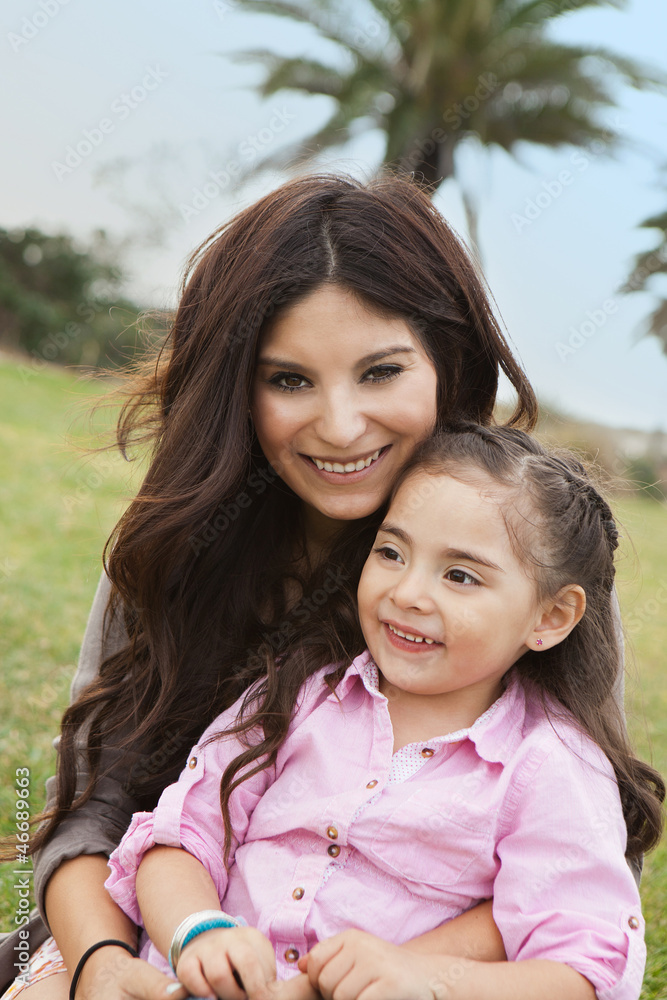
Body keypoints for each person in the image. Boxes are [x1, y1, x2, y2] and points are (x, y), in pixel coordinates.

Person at [0, 173, 538, 1000]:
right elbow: (93, 813)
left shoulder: (529, 566)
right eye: (289, 380)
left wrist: (356, 978)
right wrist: (99, 966)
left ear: (449, 362)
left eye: (380, 372)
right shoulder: (174, 548)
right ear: (236, 387)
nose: (340, 425)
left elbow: (573, 869)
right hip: (147, 941)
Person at [103, 425, 664, 1000]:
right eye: (391, 553)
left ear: (550, 617)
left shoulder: (551, 766)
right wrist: (198, 932)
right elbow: (180, 835)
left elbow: (582, 971)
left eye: (460, 576)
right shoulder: (300, 692)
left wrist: (423, 980)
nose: (407, 593)